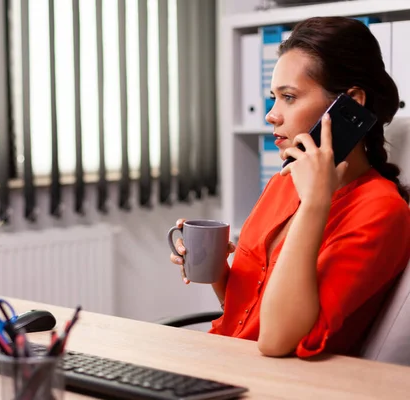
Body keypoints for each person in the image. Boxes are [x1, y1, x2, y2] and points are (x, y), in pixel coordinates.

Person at [169, 16, 410, 358]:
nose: (272, 115)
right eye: (273, 97)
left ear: (350, 103)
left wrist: (315, 204)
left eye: (289, 97)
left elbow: (276, 341)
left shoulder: (382, 212)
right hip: (222, 358)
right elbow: (246, 313)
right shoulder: (283, 182)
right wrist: (217, 271)